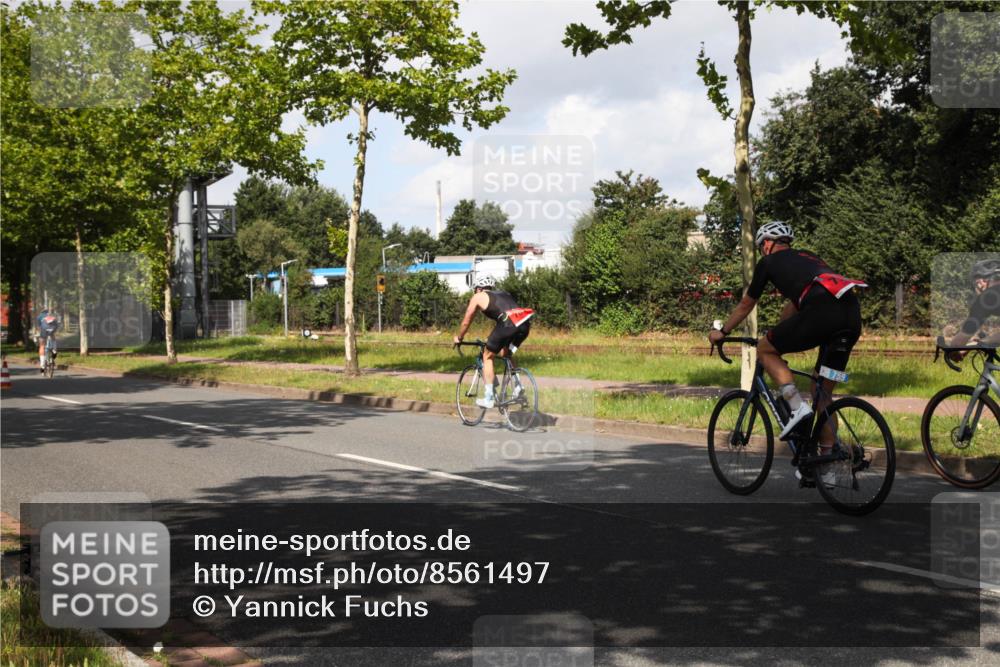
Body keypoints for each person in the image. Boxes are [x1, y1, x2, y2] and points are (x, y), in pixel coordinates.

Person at [708, 221, 866, 445]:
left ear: (768, 244)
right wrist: (778, 336)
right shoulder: (809, 258)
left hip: (823, 315)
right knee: (822, 396)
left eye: (762, 245)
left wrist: (722, 331)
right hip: (850, 318)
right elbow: (793, 306)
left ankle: (796, 406)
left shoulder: (768, 262)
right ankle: (827, 466)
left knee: (764, 349)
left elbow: (746, 305)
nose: (763, 249)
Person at [453, 275, 534, 408]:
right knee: (506, 353)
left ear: (478, 288)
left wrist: (459, 337)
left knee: (487, 356)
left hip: (508, 323)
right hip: (524, 323)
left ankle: (489, 398)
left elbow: (467, 320)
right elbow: (503, 316)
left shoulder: (478, 296)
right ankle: (518, 386)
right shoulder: (503, 293)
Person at [947, 258, 1000, 355]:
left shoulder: (987, 297)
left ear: (982, 282)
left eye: (976, 284)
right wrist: (981, 343)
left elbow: (958, 343)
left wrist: (955, 350)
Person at [37, 306, 61, 372]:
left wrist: (41, 334)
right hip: (53, 327)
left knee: (42, 346)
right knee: (53, 336)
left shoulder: (39, 316)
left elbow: (39, 327)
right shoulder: (52, 314)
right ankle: (54, 350)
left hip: (44, 329)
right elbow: (57, 324)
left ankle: (42, 365)